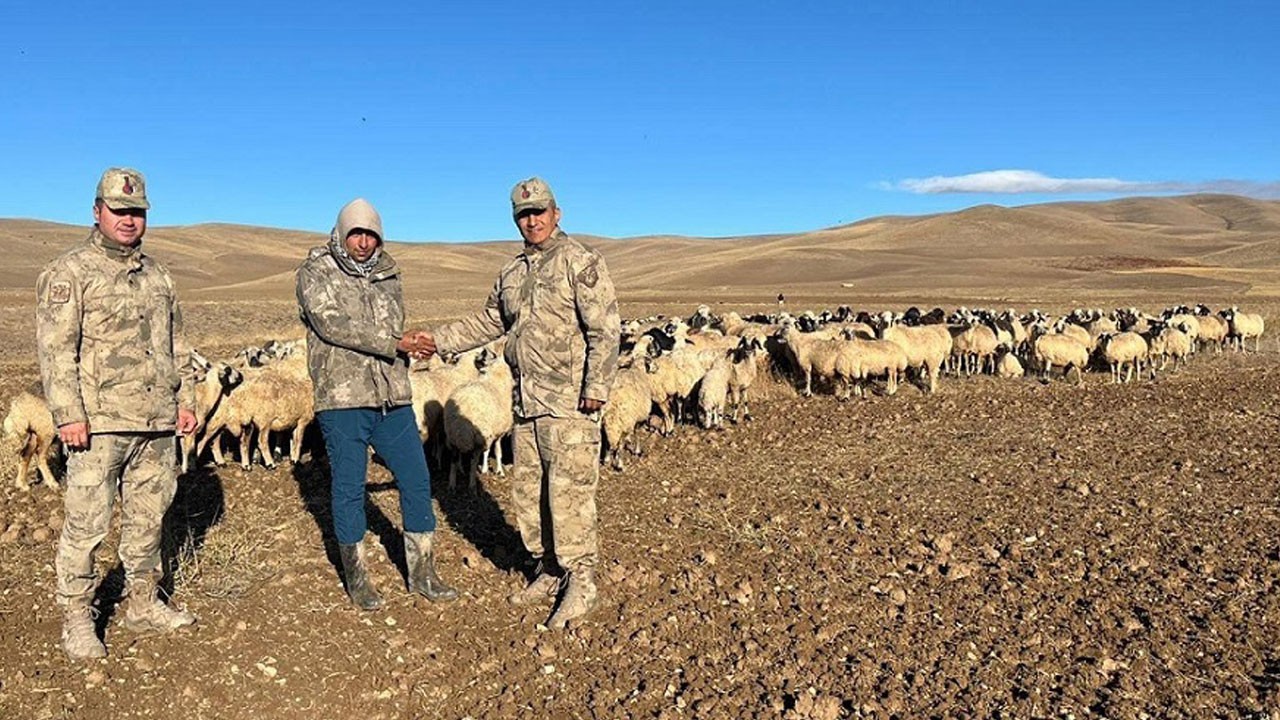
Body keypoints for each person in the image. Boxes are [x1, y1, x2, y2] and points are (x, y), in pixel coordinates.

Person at [426, 177, 620, 629]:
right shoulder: (512, 273)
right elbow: (487, 321)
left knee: (569, 495)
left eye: (539, 211)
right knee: (530, 495)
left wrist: (596, 387)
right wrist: (435, 342)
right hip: (526, 404)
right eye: (523, 214)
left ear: (557, 213)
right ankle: (549, 569)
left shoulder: (581, 262)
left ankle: (581, 579)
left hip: (572, 403)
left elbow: (605, 329)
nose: (532, 220)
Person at [36, 167, 200, 661]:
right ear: (97, 211)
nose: (129, 220)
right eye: (119, 210)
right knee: (87, 524)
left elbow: (177, 343)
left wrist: (186, 398)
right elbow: (55, 351)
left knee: (149, 520)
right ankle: (77, 619)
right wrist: (68, 414)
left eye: (137, 212)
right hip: (98, 424)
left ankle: (142, 603)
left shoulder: (158, 276)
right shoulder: (69, 273)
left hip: (155, 422)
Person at [295, 198, 458, 611]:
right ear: (342, 233)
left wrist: (409, 342)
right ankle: (358, 577)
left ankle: (422, 571)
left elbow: (391, 326)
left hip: (391, 393)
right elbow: (332, 325)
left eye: (371, 234)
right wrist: (394, 342)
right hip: (344, 398)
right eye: (357, 233)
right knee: (350, 488)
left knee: (417, 478)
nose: (364, 242)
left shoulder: (389, 272)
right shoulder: (316, 271)